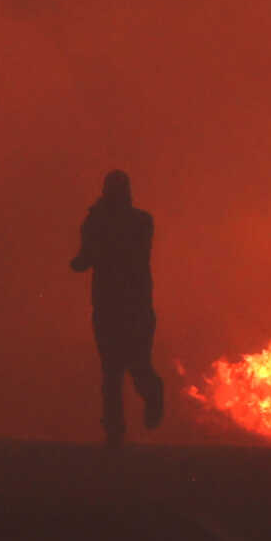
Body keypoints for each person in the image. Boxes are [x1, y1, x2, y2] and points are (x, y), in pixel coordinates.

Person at [71, 170, 165, 444]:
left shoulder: (135, 222)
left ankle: (151, 399)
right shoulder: (110, 221)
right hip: (113, 305)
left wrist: (87, 249)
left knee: (133, 366)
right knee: (113, 370)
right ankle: (114, 431)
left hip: (130, 305)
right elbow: (85, 257)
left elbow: (91, 256)